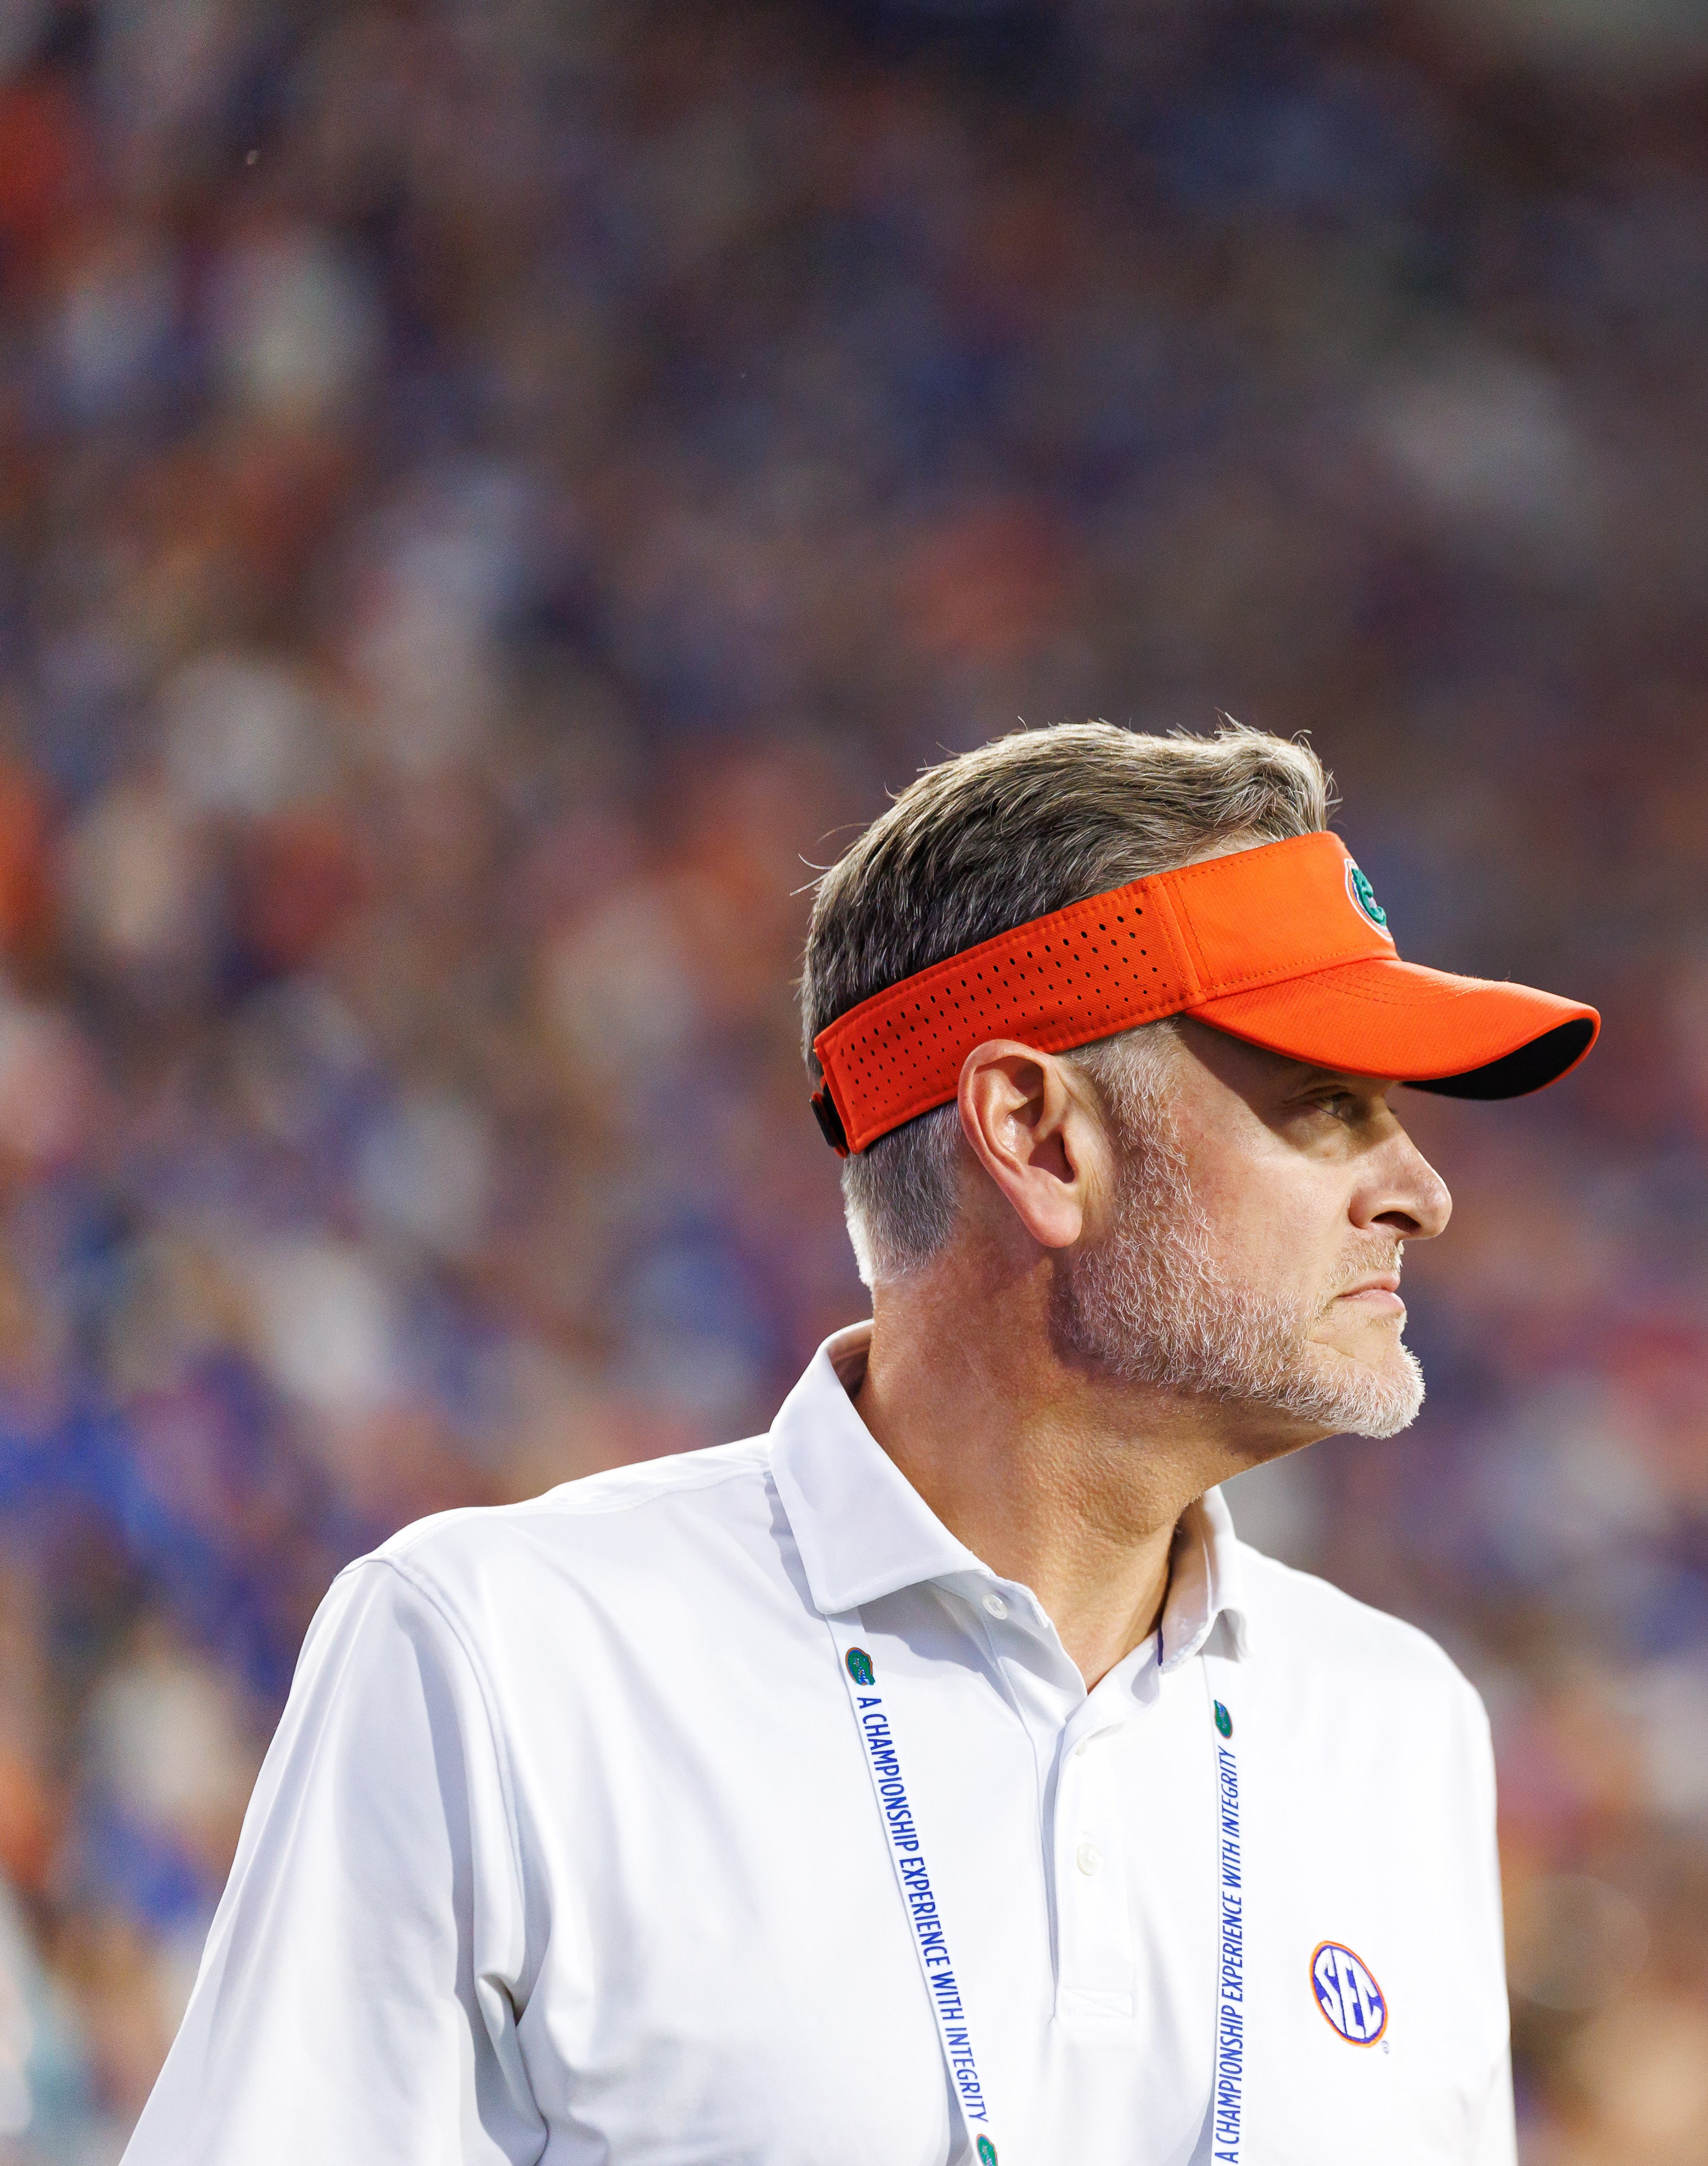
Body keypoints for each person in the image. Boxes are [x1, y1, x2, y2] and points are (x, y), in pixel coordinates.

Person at [124, 723, 1600, 2165]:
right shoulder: (506, 1659)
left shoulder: (1396, 1725)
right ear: (1034, 1131)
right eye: (1330, 1105)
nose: (1420, 1190)